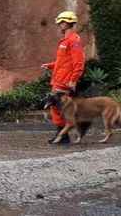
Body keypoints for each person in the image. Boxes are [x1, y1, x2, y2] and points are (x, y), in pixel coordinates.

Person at [41, 11, 85, 144]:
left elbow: (78, 63)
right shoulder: (65, 41)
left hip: (65, 82)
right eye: (60, 23)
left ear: (68, 23)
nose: (60, 25)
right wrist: (49, 65)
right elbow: (63, 62)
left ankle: (63, 136)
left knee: (61, 109)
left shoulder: (73, 41)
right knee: (57, 109)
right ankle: (62, 136)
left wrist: (73, 80)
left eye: (62, 22)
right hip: (58, 80)